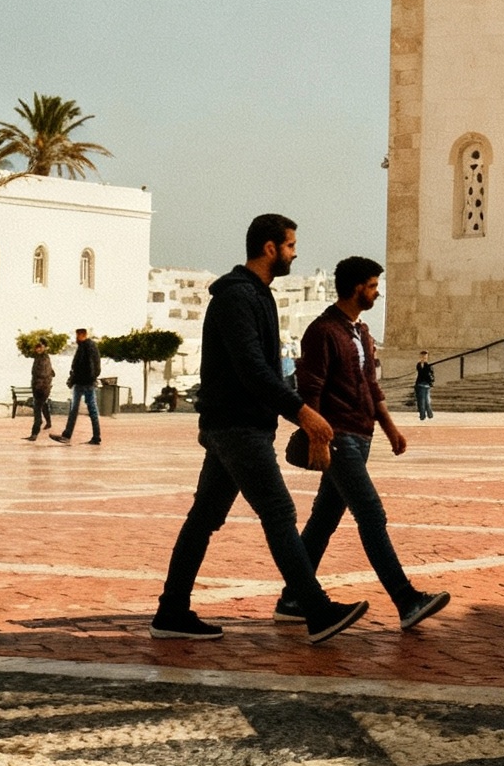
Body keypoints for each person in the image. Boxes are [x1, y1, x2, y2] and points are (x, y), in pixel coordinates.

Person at [150, 213, 368, 644]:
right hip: (237, 427)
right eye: (290, 245)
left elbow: (266, 368)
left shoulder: (257, 296)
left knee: (204, 519)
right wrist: (302, 413)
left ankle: (171, 611)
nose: (295, 252)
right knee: (280, 513)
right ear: (270, 248)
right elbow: (252, 369)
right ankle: (315, 610)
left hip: (234, 425)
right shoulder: (237, 299)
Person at [289, 256, 450, 634]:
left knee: (323, 521)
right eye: (374, 286)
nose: (378, 292)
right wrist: (318, 438)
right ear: (358, 287)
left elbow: (370, 385)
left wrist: (391, 427)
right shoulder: (323, 331)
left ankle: (292, 597)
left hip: (361, 437)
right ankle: (405, 599)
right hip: (338, 436)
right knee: (371, 515)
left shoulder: (360, 332)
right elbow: (310, 389)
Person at [51, 328, 103, 445]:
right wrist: (91, 378)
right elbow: (95, 367)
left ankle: (67, 436)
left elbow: (82, 367)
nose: (76, 338)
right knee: (92, 410)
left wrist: (76, 379)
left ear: (82, 335)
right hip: (87, 383)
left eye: (77, 335)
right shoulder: (90, 346)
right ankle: (96, 437)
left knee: (75, 409)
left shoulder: (86, 347)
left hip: (82, 383)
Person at [26, 338, 56, 441]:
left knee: (37, 408)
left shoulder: (43, 358)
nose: (38, 349)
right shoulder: (42, 357)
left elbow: (44, 374)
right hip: (41, 386)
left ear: (44, 347)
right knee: (43, 404)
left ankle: (34, 434)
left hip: (41, 387)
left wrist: (39, 384)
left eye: (40, 347)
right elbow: (52, 373)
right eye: (37, 347)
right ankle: (48, 422)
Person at [412, 351, 435, 421]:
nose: (423, 358)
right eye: (422, 357)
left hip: (426, 385)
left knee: (426, 401)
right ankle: (423, 415)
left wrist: (430, 382)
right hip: (419, 384)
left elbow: (430, 375)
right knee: (421, 401)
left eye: (425, 357)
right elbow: (420, 373)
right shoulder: (418, 365)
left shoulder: (429, 366)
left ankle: (429, 414)